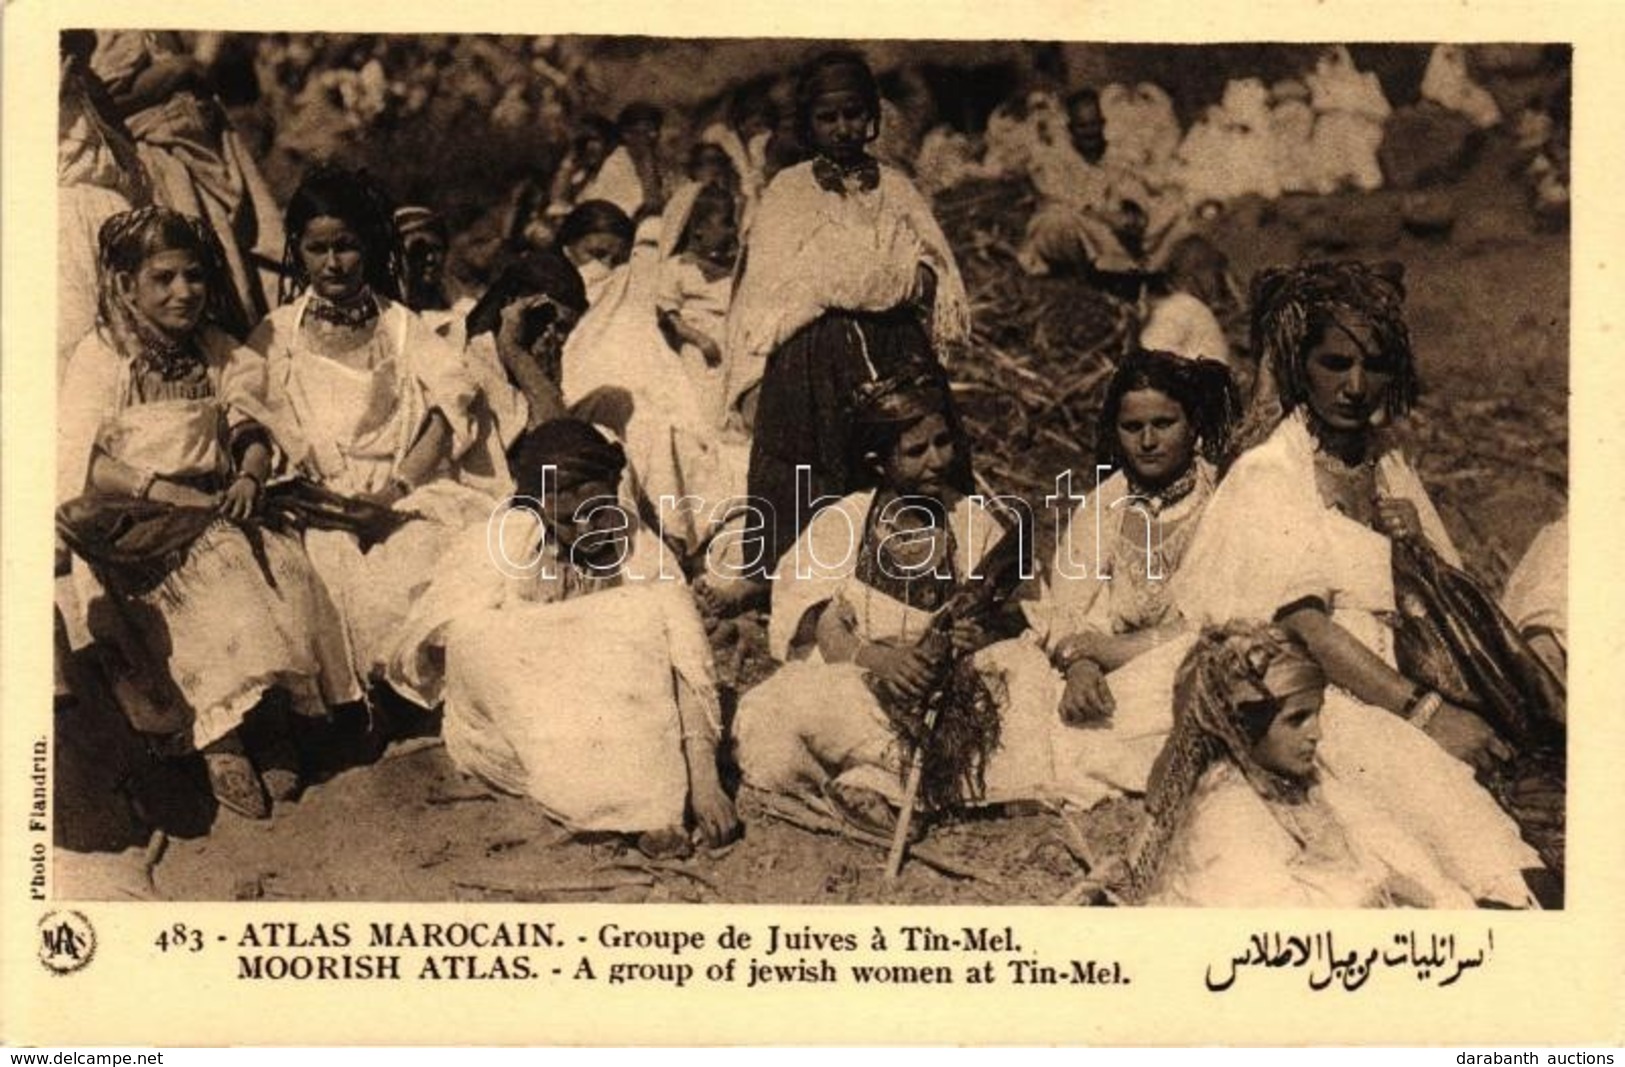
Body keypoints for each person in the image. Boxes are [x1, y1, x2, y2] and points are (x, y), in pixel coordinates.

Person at [1171, 261, 1541, 906]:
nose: (1355, 386)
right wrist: (1425, 714)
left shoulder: (1386, 461)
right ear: (1298, 365)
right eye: (1336, 363)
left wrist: (1412, 547)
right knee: (1464, 836)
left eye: (1374, 366)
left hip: (1408, 677)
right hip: (1329, 694)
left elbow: (1446, 593)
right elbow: (1303, 625)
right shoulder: (1272, 474)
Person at [56, 207, 359, 820]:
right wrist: (162, 491)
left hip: (212, 504)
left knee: (288, 563)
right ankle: (218, 737)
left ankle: (270, 714)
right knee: (218, 570)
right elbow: (81, 460)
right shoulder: (102, 358)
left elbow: (251, 420)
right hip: (127, 521)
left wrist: (249, 472)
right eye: (162, 278)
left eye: (193, 276)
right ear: (124, 283)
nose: (183, 293)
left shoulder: (215, 349)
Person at [735, 374, 1114, 833]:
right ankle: (904, 784)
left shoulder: (973, 522)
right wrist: (884, 662)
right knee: (773, 711)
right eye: (916, 452)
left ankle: (882, 786)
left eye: (942, 443)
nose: (936, 460)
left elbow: (1026, 614)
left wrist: (980, 636)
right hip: (865, 685)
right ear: (878, 463)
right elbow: (817, 622)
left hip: (956, 695)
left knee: (1020, 671)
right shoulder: (845, 522)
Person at [393, 419, 739, 859]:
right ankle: (613, 801)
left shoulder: (640, 548)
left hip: (618, 711)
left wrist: (706, 783)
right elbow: (443, 641)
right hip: (521, 721)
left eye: (598, 513)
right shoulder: (506, 541)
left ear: (615, 493)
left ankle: (650, 804)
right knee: (479, 634)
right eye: (565, 519)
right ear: (537, 508)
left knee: (645, 615)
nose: (586, 531)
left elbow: (688, 663)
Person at [715, 49, 971, 610]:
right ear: (808, 124)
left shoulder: (897, 188)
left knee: (905, 450)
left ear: (872, 116)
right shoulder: (789, 190)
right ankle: (787, 576)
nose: (843, 129)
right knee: (804, 461)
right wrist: (756, 370)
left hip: (894, 341)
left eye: (854, 115)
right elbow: (771, 284)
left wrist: (894, 280)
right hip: (815, 349)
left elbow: (929, 264)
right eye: (828, 118)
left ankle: (909, 566)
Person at [250, 165, 510, 694]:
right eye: (316, 248)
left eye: (345, 246)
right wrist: (322, 501)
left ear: (367, 245)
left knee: (436, 561)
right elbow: (260, 424)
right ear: (297, 251)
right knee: (323, 570)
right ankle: (360, 703)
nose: (332, 263)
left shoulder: (401, 326)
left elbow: (452, 404)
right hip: (316, 503)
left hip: (403, 492)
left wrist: (394, 494)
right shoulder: (276, 336)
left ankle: (422, 688)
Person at [1123, 623, 1477, 908]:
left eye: (1316, 714)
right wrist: (1376, 894)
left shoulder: (1303, 785)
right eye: (1297, 720)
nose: (1317, 733)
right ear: (1245, 725)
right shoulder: (1225, 812)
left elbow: (1385, 845)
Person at [1028, 349, 1238, 799]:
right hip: (1109, 678)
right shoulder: (1104, 506)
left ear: (1194, 425)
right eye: (1132, 427)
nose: (1147, 441)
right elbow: (1067, 611)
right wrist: (1081, 664)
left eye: (1164, 424)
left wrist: (1108, 650)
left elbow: (1213, 619)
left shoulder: (1223, 498)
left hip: (1184, 669)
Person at [89, 31, 285, 320]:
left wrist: (194, 66)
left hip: (205, 139)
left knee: (250, 255)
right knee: (188, 264)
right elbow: (99, 99)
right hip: (155, 156)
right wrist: (180, 70)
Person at [1017, 87, 1190, 281]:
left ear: (1103, 123)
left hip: (1113, 230)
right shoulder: (1056, 161)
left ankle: (1126, 269)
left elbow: (1131, 186)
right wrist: (1102, 216)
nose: (1090, 133)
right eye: (1083, 127)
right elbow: (1057, 199)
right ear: (1071, 128)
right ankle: (1095, 270)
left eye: (1094, 125)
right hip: (1078, 227)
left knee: (1173, 211)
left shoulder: (1116, 155)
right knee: (1056, 222)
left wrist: (1132, 210)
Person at [58, 31, 152, 379]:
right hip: (69, 221)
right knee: (79, 344)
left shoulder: (84, 86)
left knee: (133, 346)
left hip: (112, 213)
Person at [655, 182, 742, 424]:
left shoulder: (731, 269)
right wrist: (699, 339)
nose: (732, 231)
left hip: (731, 343)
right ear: (699, 229)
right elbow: (670, 315)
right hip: (699, 348)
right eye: (726, 223)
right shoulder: (677, 268)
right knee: (704, 406)